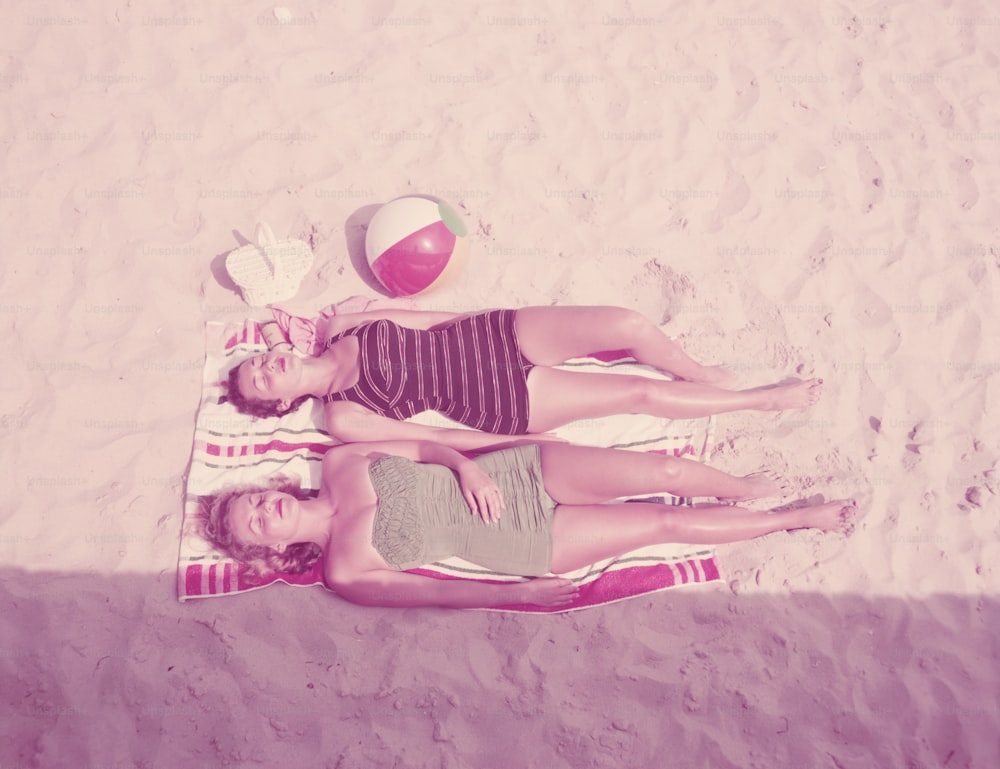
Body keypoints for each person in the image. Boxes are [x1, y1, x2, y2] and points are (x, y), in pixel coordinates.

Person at [201, 439, 857, 609]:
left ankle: (746, 486)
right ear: (275, 547)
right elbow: (434, 591)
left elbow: (426, 447)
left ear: (270, 487)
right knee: (661, 522)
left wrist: (468, 467)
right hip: (519, 542)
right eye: (256, 523)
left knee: (665, 471)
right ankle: (793, 518)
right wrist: (516, 592)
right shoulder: (344, 569)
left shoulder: (339, 462)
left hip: (515, 475)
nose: (264, 509)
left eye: (254, 499)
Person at [227, 305, 823, 450]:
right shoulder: (342, 415)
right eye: (262, 382)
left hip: (492, 335)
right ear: (280, 406)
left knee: (629, 323)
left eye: (258, 361)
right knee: (638, 393)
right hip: (500, 397)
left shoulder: (344, 323)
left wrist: (507, 316)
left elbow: (437, 321)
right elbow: (431, 442)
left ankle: (698, 372)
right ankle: (756, 402)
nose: (265, 367)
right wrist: (517, 442)